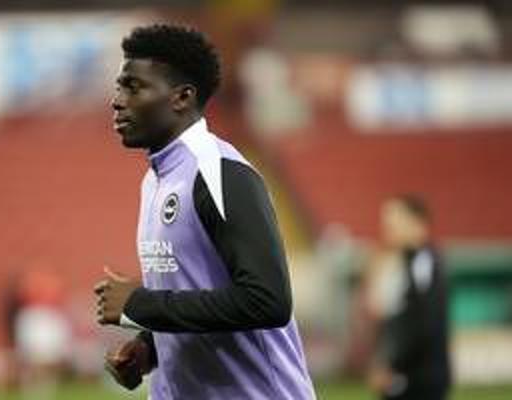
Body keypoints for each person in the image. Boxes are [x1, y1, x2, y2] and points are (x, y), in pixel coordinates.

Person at [94, 24, 315, 399]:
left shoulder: (220, 172)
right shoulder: (155, 181)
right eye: (119, 87)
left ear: (182, 97)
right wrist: (150, 347)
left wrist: (141, 304)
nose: (117, 101)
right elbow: (196, 292)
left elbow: (267, 301)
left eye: (133, 87)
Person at [369, 195, 451, 400]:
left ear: (417, 224)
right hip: (404, 375)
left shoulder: (423, 263)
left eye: (395, 219)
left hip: (420, 378)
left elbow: (423, 323)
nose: (387, 226)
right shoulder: (401, 263)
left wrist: (391, 364)